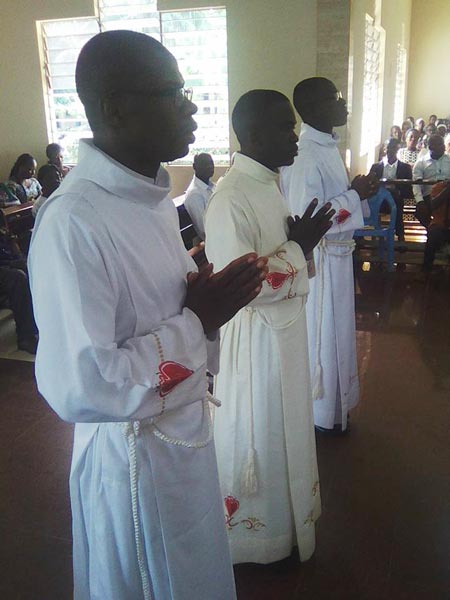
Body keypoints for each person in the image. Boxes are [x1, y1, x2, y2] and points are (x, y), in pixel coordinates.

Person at [29, 30, 269, 600]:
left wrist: (201, 306)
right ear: (115, 106)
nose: (190, 106)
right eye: (172, 92)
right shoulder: (73, 220)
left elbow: (173, 313)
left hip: (183, 440)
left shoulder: (150, 198)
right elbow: (79, 381)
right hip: (132, 465)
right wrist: (195, 322)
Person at [205, 89, 335, 565]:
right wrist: (299, 246)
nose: (295, 135)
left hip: (285, 334)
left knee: (288, 430)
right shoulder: (230, 197)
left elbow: (282, 257)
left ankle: (290, 527)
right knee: (261, 432)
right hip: (257, 341)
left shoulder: (266, 182)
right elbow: (246, 285)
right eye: (286, 126)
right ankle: (258, 540)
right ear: (255, 134)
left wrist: (303, 243)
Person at [280, 77, 376, 434]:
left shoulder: (326, 146)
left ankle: (335, 410)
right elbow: (308, 215)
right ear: (315, 107)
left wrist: (356, 193)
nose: (344, 103)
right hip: (322, 261)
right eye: (336, 97)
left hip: (338, 256)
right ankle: (321, 413)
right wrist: (354, 194)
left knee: (338, 334)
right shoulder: (307, 153)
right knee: (323, 336)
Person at [412, 134, 450, 271]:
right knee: (420, 210)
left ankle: (439, 236)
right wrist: (420, 201)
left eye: (443, 144)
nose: (443, 147)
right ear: (430, 147)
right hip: (430, 197)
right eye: (439, 145)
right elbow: (416, 184)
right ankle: (438, 235)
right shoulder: (421, 163)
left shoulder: (449, 160)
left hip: (448, 196)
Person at [0, 226, 38, 354]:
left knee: (32, 263)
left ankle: (42, 321)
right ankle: (26, 337)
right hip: (3, 265)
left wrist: (19, 257)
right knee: (17, 278)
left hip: (6, 260)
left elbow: (8, 238)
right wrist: (12, 264)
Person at [370, 138, 412, 246]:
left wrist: (395, 190)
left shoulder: (405, 168)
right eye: (388, 147)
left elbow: (407, 190)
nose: (391, 150)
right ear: (385, 149)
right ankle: (390, 236)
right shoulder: (375, 167)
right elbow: (370, 186)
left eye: (394, 147)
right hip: (379, 202)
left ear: (398, 149)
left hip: (396, 201)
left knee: (395, 202)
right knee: (382, 196)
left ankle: (400, 237)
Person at [184, 152, 215, 240]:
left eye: (211, 163)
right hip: (213, 241)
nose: (210, 167)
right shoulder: (195, 194)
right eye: (205, 164)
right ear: (194, 166)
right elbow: (204, 229)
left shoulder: (212, 187)